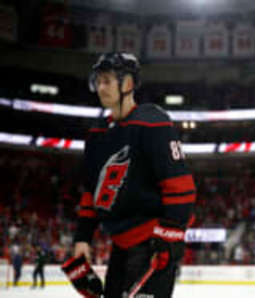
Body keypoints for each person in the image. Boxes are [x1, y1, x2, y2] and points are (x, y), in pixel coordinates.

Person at [66, 52, 196, 298]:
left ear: (126, 84)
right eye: (98, 81)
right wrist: (83, 238)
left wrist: (168, 238)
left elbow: (181, 187)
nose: (100, 87)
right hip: (120, 244)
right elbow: (91, 192)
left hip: (152, 243)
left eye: (107, 81)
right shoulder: (97, 134)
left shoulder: (153, 123)